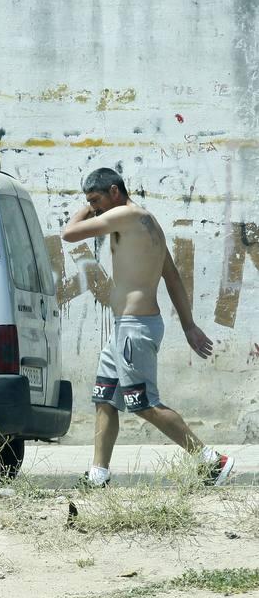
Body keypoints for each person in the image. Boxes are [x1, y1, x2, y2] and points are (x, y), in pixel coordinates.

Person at [61, 167, 234, 487]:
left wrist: (85, 207)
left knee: (143, 404)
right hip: (125, 329)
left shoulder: (125, 215)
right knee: (104, 396)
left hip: (135, 328)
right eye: (90, 203)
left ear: (115, 191)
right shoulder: (147, 224)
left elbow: (70, 233)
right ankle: (99, 475)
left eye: (96, 200)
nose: (94, 208)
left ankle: (211, 461)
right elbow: (172, 276)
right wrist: (189, 326)